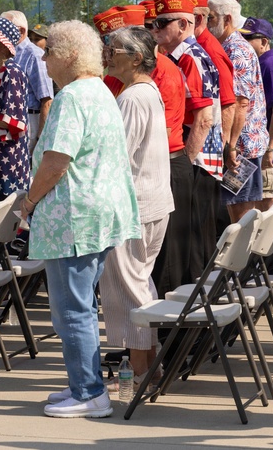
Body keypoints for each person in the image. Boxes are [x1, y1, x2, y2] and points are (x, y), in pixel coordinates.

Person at [20, 20, 139, 419]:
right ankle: (83, 384)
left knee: (71, 309)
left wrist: (30, 200)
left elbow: (57, 159)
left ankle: (90, 393)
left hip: (73, 219)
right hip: (96, 215)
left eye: (49, 51)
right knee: (81, 305)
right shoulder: (99, 91)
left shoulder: (72, 97)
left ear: (69, 55)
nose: (43, 59)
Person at [99, 26, 173, 387]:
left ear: (136, 58)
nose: (109, 54)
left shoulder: (132, 97)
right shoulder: (145, 92)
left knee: (131, 289)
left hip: (134, 207)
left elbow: (118, 158)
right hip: (151, 201)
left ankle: (142, 371)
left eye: (115, 49)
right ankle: (148, 365)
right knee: (139, 284)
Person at [149, 0, 223, 293]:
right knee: (189, 247)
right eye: (154, 23)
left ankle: (194, 316)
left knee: (193, 248)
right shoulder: (179, 56)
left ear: (183, 24)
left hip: (199, 161)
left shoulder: (190, 56)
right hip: (194, 159)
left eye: (163, 23)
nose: (156, 29)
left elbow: (204, 118)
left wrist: (185, 163)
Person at [209, 0, 268, 221]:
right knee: (237, 209)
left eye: (212, 18)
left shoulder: (237, 51)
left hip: (241, 149)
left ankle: (245, 257)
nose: (207, 23)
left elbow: (240, 103)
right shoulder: (228, 47)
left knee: (240, 212)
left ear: (228, 19)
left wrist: (230, 146)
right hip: (239, 145)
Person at [239, 18, 273, 212]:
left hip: (268, 143)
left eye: (250, 38)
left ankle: (271, 241)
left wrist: (270, 148)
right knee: (256, 198)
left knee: (267, 199)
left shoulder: (270, 66)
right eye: (242, 37)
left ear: (264, 41)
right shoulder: (259, 62)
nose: (245, 42)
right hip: (259, 142)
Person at [0, 17, 30, 201]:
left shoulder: (12, 72)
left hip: (8, 160)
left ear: (3, 44)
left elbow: (15, 121)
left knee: (6, 215)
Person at [175, 0, 237, 133]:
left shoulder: (209, 50)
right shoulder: (192, 47)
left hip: (204, 137)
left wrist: (225, 145)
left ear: (197, 19)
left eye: (182, 19)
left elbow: (227, 103)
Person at [1, 10, 53, 151]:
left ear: (21, 31)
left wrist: (39, 140)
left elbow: (46, 100)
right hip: (8, 121)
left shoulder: (34, 55)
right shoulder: (7, 53)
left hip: (29, 122)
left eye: (4, 29)